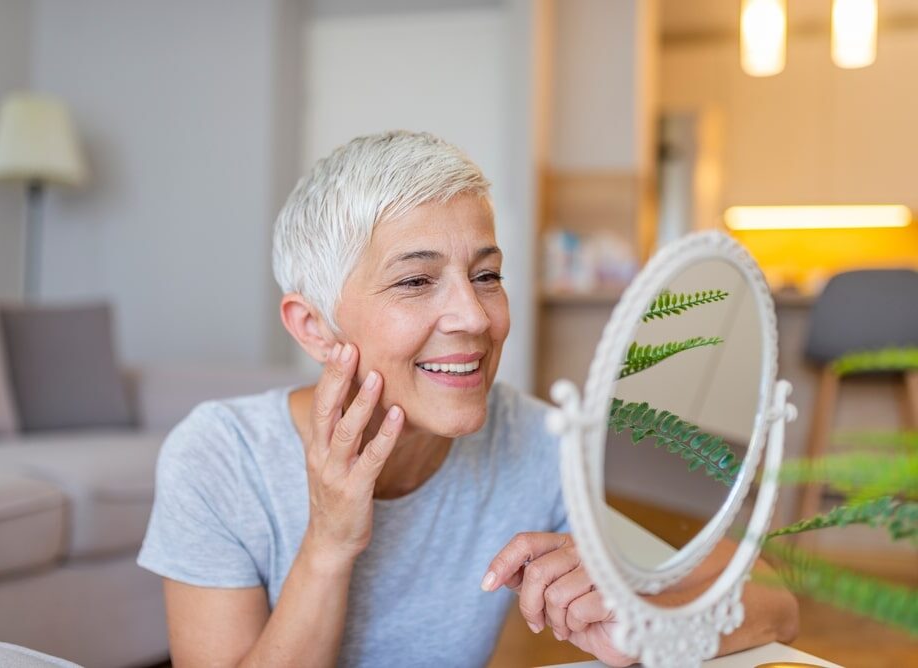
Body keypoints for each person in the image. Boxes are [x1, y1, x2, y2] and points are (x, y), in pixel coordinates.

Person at [137, 130, 798, 667]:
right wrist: (329, 544)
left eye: (486, 275)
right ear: (313, 326)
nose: (475, 318)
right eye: (416, 281)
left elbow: (773, 599)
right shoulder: (220, 457)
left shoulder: (536, 442)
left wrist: (644, 623)